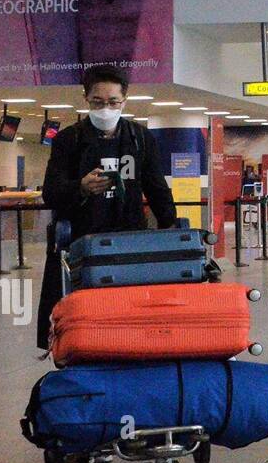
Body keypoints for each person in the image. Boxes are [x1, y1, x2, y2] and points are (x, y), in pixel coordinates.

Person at [37, 65, 178, 347]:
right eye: (98, 102)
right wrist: (81, 187)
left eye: (113, 102)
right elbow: (51, 192)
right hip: (83, 242)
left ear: (124, 101)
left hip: (128, 239)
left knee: (127, 311)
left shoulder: (140, 138)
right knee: (87, 314)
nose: (106, 109)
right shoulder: (69, 139)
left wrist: (170, 226)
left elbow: (156, 187)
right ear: (86, 99)